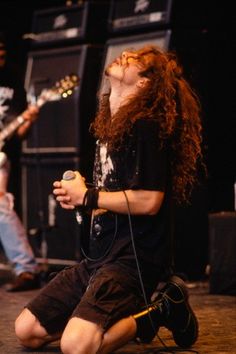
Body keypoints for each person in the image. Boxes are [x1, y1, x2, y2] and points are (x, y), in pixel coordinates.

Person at [15, 45, 203, 352]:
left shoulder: (146, 126)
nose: (124, 56)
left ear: (144, 82)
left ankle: (161, 310)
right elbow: (114, 194)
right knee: (27, 331)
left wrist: (88, 196)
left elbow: (148, 200)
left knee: (76, 347)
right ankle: (96, 323)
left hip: (132, 262)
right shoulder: (110, 123)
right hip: (99, 258)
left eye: (136, 60)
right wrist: (80, 195)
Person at [0, 32, 41, 292]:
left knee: (0, 206)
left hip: (2, 154)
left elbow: (19, 133)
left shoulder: (14, 83)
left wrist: (29, 120)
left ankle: (27, 269)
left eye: (3, 53)